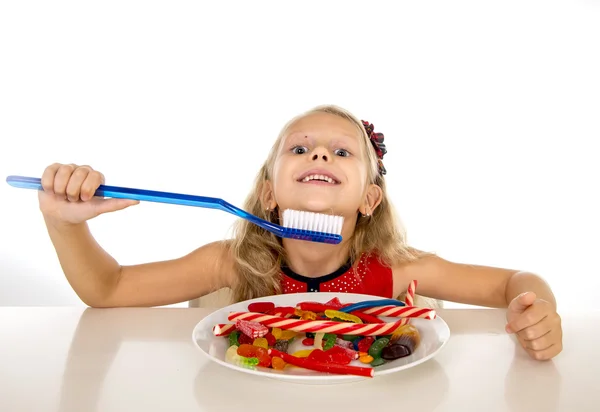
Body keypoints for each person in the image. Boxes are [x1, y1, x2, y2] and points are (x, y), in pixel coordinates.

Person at [36, 104, 562, 360]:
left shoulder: (398, 266)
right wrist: (63, 222)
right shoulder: (230, 262)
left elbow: (511, 281)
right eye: (300, 148)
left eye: (341, 152)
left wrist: (535, 307)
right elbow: (107, 291)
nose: (319, 154)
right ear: (270, 193)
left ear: (368, 199)